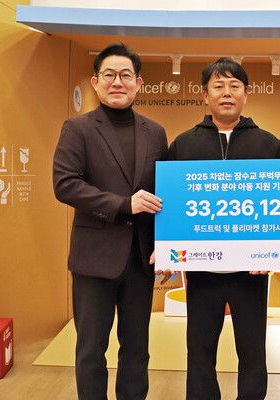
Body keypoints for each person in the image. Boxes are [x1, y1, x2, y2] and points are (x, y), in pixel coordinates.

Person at [53, 43, 168, 400]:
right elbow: (65, 184)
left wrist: (166, 246)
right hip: (94, 260)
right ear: (95, 81)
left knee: (137, 350)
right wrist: (122, 205)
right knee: (91, 351)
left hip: (140, 260)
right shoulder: (78, 128)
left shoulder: (155, 132)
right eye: (109, 75)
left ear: (138, 83)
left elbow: (164, 194)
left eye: (126, 75)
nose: (117, 82)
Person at [167, 57, 280, 400]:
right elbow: (171, 204)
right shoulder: (183, 145)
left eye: (235, 86)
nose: (227, 92)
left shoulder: (269, 145)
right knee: (199, 352)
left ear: (246, 94)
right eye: (218, 86)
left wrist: (274, 253)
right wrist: (166, 252)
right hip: (201, 270)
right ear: (205, 95)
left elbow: (279, 205)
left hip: (251, 271)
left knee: (253, 351)